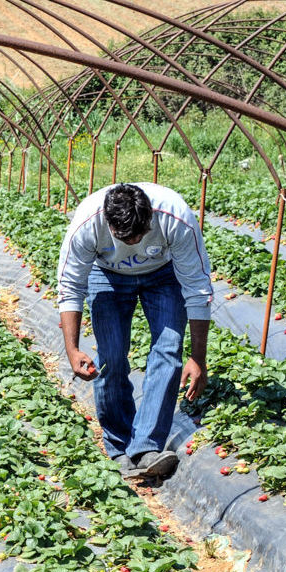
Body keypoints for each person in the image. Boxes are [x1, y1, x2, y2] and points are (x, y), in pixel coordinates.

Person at [57, 182, 212, 480]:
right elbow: (70, 286)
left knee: (168, 349)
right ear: (108, 223)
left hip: (164, 275)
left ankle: (146, 448)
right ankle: (119, 447)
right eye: (124, 237)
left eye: (139, 235)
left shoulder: (175, 217)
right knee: (111, 359)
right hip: (107, 275)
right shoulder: (87, 224)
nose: (133, 242)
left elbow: (197, 288)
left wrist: (199, 357)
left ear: (150, 218)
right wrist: (72, 349)